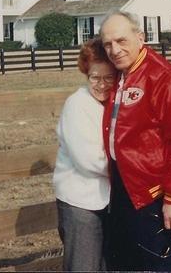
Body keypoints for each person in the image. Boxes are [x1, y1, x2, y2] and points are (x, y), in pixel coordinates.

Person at [99, 10, 171, 272]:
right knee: (125, 263)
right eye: (108, 44)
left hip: (155, 192)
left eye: (122, 41)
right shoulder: (121, 73)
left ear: (140, 37)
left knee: (156, 264)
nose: (115, 49)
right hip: (125, 186)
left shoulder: (163, 77)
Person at [53, 38, 116, 271]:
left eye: (109, 77)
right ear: (86, 74)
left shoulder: (112, 104)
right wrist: (131, 172)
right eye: (95, 77)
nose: (102, 84)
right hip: (81, 203)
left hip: (107, 201)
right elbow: (90, 161)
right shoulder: (77, 105)